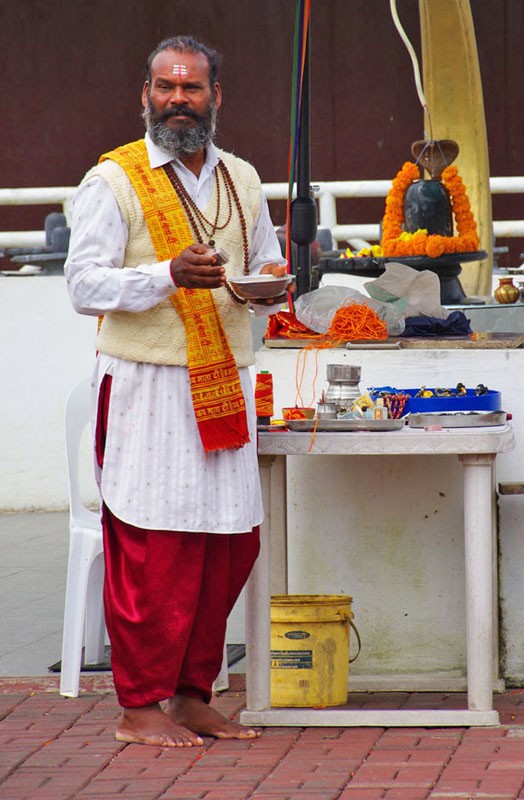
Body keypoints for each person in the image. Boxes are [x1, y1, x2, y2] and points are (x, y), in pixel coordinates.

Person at [65, 35, 290, 747]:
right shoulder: (115, 181)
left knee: (229, 544)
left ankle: (193, 695)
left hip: (222, 379)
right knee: (151, 549)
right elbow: (84, 285)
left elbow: (265, 263)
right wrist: (166, 275)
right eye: (166, 86)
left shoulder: (242, 179)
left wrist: (270, 287)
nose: (178, 100)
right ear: (145, 93)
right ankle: (138, 708)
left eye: (192, 88)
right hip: (146, 384)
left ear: (216, 97)